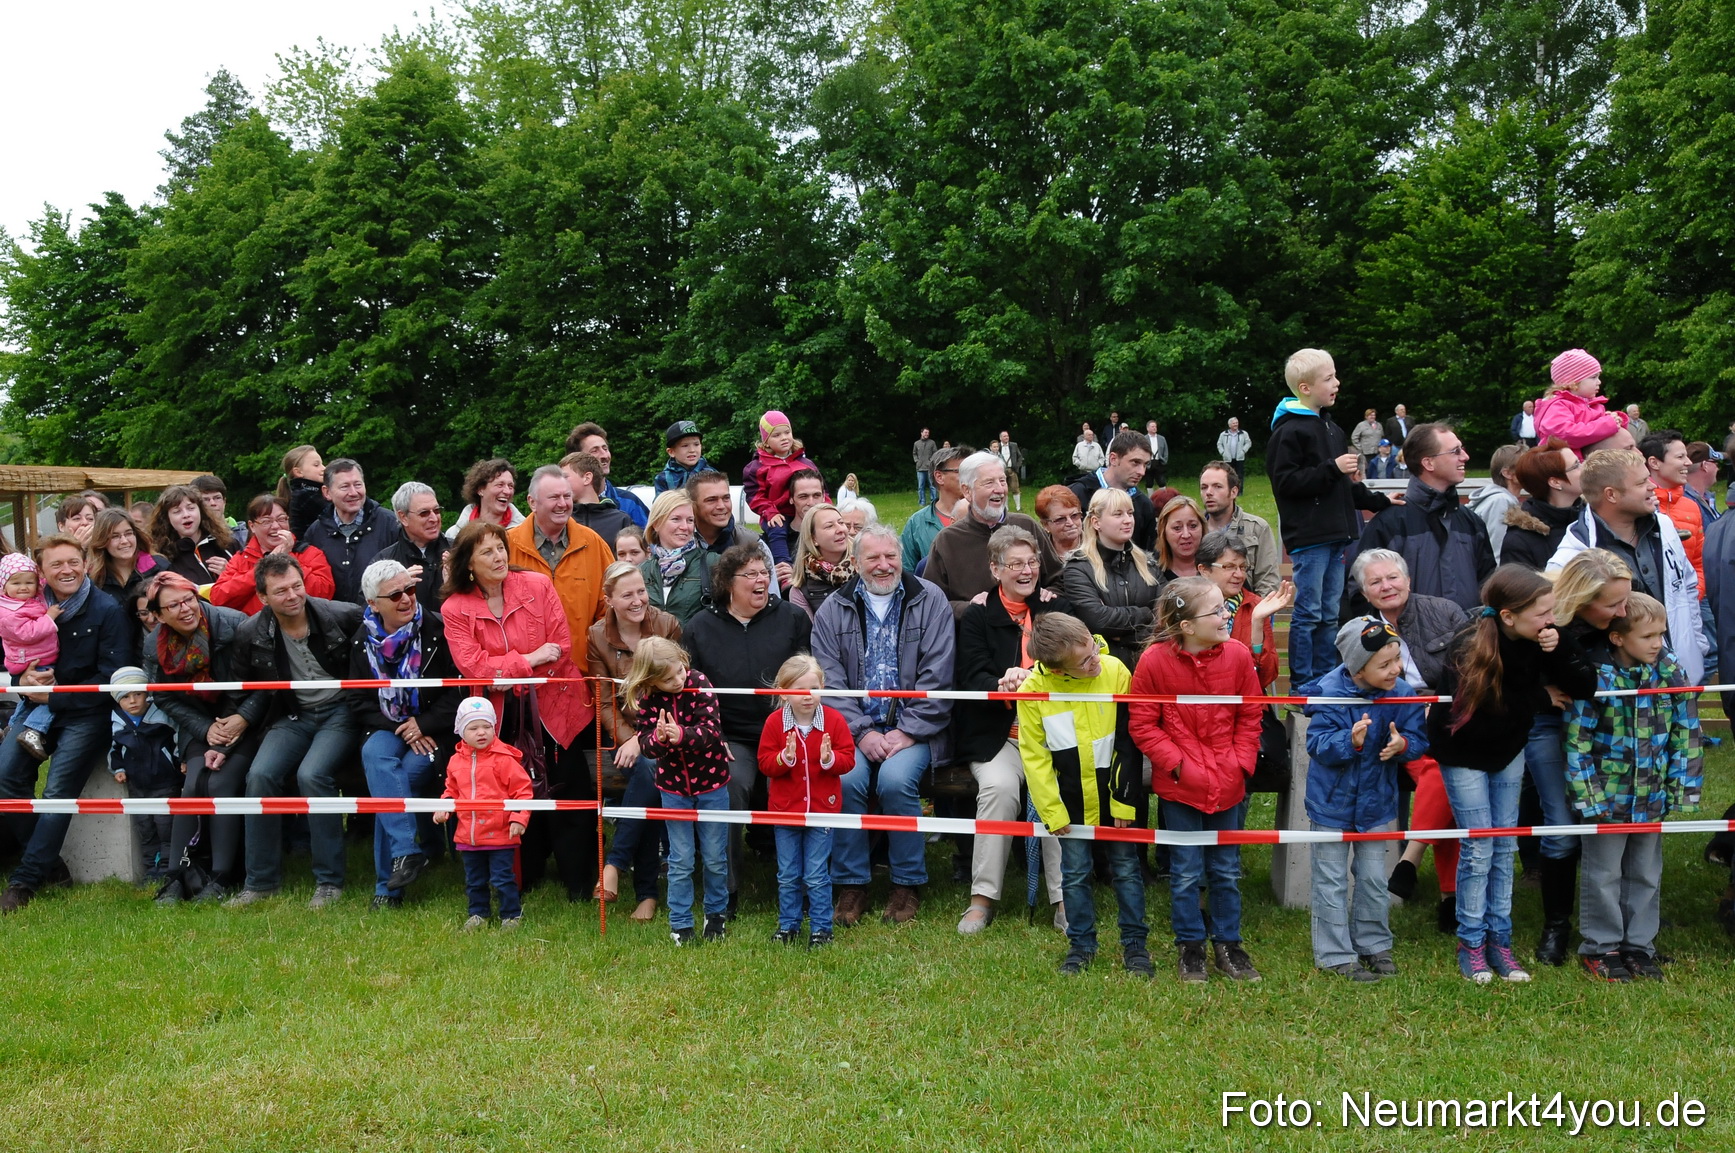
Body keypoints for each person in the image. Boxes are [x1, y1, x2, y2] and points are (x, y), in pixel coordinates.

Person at [1426, 564, 1597, 983]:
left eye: (1551, 611)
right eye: (1542, 614)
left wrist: (1561, 647)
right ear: (1508, 616)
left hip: (1508, 749)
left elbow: (1584, 686)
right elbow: (1486, 708)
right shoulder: (1469, 644)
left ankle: (1500, 942)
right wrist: (1539, 697)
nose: (1550, 620)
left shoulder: (1543, 638)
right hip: (1464, 752)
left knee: (1504, 846)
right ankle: (1471, 944)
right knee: (1479, 847)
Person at [441, 521, 595, 901]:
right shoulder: (454, 608)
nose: (498, 557)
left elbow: (559, 648)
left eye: (500, 547)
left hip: (555, 705)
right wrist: (528, 659)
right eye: (487, 552)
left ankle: (580, 880)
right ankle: (524, 874)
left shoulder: (537, 585)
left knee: (569, 789)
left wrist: (504, 672)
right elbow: (473, 666)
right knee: (511, 791)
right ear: (468, 563)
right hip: (498, 716)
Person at [811, 524, 955, 926]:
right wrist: (862, 732)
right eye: (872, 557)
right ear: (856, 563)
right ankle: (851, 883)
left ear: (901, 557)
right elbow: (829, 682)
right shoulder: (833, 609)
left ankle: (907, 883)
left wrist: (908, 730)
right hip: (853, 730)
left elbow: (939, 675)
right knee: (845, 780)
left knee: (894, 782)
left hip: (917, 730)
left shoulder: (930, 600)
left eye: (890, 556)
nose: (883, 565)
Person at [1129, 576, 1265, 982]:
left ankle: (1229, 944)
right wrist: (1177, 766)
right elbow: (1143, 724)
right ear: (1186, 625)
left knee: (1225, 870)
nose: (1226, 616)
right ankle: (1190, 947)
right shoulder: (1154, 662)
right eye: (1217, 610)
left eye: (1226, 607)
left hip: (1228, 781)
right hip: (1180, 787)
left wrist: (1240, 764)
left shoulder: (1238, 655)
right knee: (1186, 871)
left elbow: (1251, 714)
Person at [1563, 592, 1701, 982]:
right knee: (1603, 874)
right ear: (1618, 638)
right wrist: (1588, 797)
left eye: (1661, 634)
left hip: (1652, 796)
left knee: (1645, 873)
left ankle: (1639, 946)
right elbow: (1576, 741)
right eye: (1648, 636)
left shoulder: (1670, 670)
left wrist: (1682, 788)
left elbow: (1687, 731)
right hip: (1607, 797)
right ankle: (1602, 947)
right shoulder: (1596, 676)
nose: (1657, 643)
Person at [223, 553, 365, 910]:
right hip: (292, 714)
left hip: (341, 711)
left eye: (296, 586)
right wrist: (231, 729)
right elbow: (242, 690)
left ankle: (329, 882)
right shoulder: (250, 632)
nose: (292, 596)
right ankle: (260, 883)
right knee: (259, 776)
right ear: (263, 597)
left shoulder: (343, 615)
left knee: (312, 775)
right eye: (281, 591)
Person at [0, 536, 128, 914]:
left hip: (85, 714)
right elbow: (11, 657)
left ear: (86, 564)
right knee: (5, 777)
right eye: (56, 564)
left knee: (57, 793)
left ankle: (25, 881)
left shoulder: (107, 609)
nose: (66, 570)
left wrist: (54, 698)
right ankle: (51, 865)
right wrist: (21, 680)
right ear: (42, 571)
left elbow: (111, 679)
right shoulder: (28, 604)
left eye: (73, 562)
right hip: (35, 707)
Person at [953, 525, 1068, 935]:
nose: (1026, 571)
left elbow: (1073, 666)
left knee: (1056, 791)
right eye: (1015, 564)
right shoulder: (978, 614)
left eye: (1032, 562)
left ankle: (1064, 899)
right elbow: (971, 677)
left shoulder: (1055, 607)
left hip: (1051, 734)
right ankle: (982, 898)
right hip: (999, 735)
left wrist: (1034, 676)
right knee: (999, 789)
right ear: (995, 569)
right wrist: (1001, 684)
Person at [1020, 614, 1150, 977]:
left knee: (1127, 870)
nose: (1096, 661)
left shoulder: (1116, 670)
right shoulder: (1033, 690)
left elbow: (1128, 742)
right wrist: (1052, 811)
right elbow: (1034, 756)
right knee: (1075, 873)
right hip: (1070, 802)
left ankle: (1135, 946)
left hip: (1117, 796)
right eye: (1084, 661)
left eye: (1094, 649)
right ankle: (1080, 946)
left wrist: (1124, 800)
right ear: (1056, 669)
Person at [681, 542, 812, 899]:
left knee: (795, 785)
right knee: (730, 785)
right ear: (728, 583)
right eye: (750, 574)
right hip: (729, 737)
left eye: (764, 573)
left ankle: (802, 887)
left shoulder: (792, 619)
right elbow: (692, 692)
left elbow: (807, 679)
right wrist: (712, 737)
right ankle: (725, 891)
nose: (761, 581)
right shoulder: (700, 627)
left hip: (785, 731)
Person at [1522, 548, 1633, 965]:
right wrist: (1538, 692)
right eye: (1613, 604)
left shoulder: (1621, 620)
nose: (1623, 611)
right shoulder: (1541, 618)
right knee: (1561, 821)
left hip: (1608, 724)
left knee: (1610, 819)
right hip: (1550, 724)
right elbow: (1502, 666)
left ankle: (1619, 923)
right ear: (1583, 600)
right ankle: (1557, 926)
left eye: (1626, 600)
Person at [1303, 617, 1429, 981]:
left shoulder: (1401, 693)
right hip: (1331, 805)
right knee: (1331, 881)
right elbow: (1316, 744)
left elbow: (1418, 739)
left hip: (1376, 804)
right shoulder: (1328, 692)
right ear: (1358, 668)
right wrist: (1350, 741)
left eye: (1397, 659)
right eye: (1385, 664)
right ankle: (1335, 954)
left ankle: (1373, 944)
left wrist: (1403, 745)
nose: (1396, 669)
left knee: (1374, 879)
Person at [1267, 348, 1392, 681]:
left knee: (1329, 614)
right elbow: (1285, 483)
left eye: (1335, 376)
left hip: (1338, 535)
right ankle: (1303, 683)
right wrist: (1331, 468)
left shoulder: (1332, 429)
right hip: (1310, 538)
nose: (1337, 383)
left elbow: (1344, 487)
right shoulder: (1289, 431)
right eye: (1329, 378)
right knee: (1309, 613)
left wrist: (1382, 501)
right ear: (1305, 388)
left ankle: (1325, 680)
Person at [350, 559, 463, 909]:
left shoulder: (438, 630)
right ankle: (406, 852)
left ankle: (388, 889)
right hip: (389, 726)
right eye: (395, 594)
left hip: (436, 731)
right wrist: (403, 727)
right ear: (373, 604)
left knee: (397, 783)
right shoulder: (362, 640)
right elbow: (357, 701)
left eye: (410, 590)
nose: (406, 599)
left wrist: (423, 724)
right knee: (375, 755)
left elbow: (459, 692)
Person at [1547, 449, 1707, 684]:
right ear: (1611, 494)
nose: (1652, 486)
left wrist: (1697, 646)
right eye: (1641, 482)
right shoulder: (1571, 558)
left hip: (1681, 679)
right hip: (1617, 692)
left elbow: (1687, 587)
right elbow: (1557, 628)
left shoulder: (1664, 526)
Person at [144, 572, 256, 905]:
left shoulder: (235, 624)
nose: (185, 609)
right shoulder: (154, 645)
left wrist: (238, 722)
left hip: (247, 721)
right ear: (158, 615)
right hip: (200, 725)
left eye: (189, 599)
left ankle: (221, 876)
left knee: (219, 784)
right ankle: (176, 876)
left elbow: (266, 684)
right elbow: (163, 696)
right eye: (173, 605)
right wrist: (206, 729)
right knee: (192, 786)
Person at [589, 561, 681, 923]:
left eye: (641, 591)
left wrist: (644, 740)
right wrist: (629, 738)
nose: (638, 600)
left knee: (650, 768)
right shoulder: (597, 636)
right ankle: (646, 893)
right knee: (648, 774)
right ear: (608, 599)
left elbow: (678, 689)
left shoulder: (667, 625)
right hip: (625, 738)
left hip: (667, 731)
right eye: (627, 594)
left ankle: (616, 864)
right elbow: (603, 702)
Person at [624, 636, 732, 945]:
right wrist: (659, 739)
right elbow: (645, 744)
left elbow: (711, 731)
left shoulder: (700, 683)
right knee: (681, 859)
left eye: (679, 671)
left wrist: (681, 735)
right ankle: (681, 921)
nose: (678, 679)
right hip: (673, 789)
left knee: (714, 856)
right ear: (651, 680)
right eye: (668, 679)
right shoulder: (647, 698)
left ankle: (716, 914)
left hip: (712, 785)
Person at [758, 654, 855, 947]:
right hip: (785, 812)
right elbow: (765, 763)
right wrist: (784, 758)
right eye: (799, 689)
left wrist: (829, 759)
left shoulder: (834, 720)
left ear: (822, 687)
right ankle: (788, 925)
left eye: (813, 688)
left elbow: (848, 759)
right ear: (783, 692)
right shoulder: (775, 723)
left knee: (816, 874)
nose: (807, 696)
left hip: (822, 811)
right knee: (788, 874)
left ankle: (822, 928)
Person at [1347, 423, 1494, 615]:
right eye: (1455, 451)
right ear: (1428, 463)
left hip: (1469, 633)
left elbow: (1489, 585)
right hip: (1405, 635)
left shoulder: (1471, 522)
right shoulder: (1389, 524)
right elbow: (1360, 591)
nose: (1465, 457)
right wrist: (1393, 631)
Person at [435, 697, 533, 931]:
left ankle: (511, 915)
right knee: (474, 880)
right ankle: (478, 913)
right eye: (473, 728)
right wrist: (444, 806)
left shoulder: (504, 759)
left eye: (487, 726)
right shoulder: (455, 761)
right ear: (461, 731)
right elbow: (451, 790)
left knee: (502, 878)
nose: (481, 732)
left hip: (500, 834)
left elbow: (523, 791)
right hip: (468, 836)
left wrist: (519, 818)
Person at [929, 451, 1062, 619]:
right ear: (967, 491)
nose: (999, 489)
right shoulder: (947, 541)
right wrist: (968, 608)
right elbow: (931, 602)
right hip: (975, 631)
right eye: (989, 482)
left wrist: (1048, 595)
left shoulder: (1027, 526)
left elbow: (1060, 580)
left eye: (1002, 481)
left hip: (1032, 629)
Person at [506, 466, 613, 646]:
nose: (563, 504)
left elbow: (611, 606)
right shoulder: (507, 546)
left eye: (567, 496)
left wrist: (596, 649)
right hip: (527, 662)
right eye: (554, 497)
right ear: (532, 502)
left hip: (583, 661)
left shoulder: (593, 543)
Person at [1060, 488, 1164, 670]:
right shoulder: (1078, 568)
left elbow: (1167, 618)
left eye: (1130, 513)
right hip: (1104, 670)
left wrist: (1121, 636)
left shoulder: (1148, 563)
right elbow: (1097, 621)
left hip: (1150, 667)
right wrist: (1145, 613)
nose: (1128, 520)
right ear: (1096, 522)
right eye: (1118, 514)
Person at [102, 665, 181, 881]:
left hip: (166, 783)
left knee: (166, 828)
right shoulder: (118, 722)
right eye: (125, 697)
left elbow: (178, 739)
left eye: (138, 694)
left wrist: (180, 761)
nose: (133, 701)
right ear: (117, 700)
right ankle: (150, 871)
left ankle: (167, 870)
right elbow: (114, 748)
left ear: (147, 693)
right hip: (137, 786)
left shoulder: (162, 715)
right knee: (145, 829)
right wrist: (118, 769)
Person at [210, 495, 337, 615]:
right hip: (254, 627)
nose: (276, 526)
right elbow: (218, 599)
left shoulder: (309, 553)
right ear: (252, 526)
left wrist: (287, 559)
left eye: (282, 519)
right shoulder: (240, 559)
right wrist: (262, 568)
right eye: (266, 521)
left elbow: (324, 593)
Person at [1199, 530, 1290, 692]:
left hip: (1243, 699)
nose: (1239, 575)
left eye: (1242, 567)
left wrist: (1257, 624)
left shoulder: (1256, 606)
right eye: (1229, 567)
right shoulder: (1187, 604)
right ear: (1204, 570)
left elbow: (1266, 677)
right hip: (1197, 698)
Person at [302, 459, 401, 605]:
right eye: (345, 487)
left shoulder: (391, 524)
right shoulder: (315, 533)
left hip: (380, 615)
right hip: (333, 617)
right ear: (327, 492)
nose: (353, 492)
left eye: (358, 484)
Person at [85, 507, 168, 662]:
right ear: (102, 541)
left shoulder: (160, 567)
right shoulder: (93, 580)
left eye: (129, 533)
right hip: (113, 659)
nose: (124, 541)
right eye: (115, 536)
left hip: (158, 655)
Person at [742, 409, 823, 568]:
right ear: (766, 441)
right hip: (776, 513)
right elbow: (755, 495)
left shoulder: (805, 463)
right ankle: (783, 565)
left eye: (787, 432)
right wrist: (769, 511)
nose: (784, 438)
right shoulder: (758, 467)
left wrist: (827, 508)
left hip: (805, 509)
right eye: (776, 435)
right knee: (777, 529)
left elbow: (821, 489)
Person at [0, 554, 59, 761]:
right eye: (16, 583)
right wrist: (49, 618)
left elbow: (43, 582)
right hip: (33, 660)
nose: (23, 587)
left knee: (29, 699)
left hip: (35, 657)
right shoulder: (7, 612)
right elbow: (28, 633)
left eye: (29, 582)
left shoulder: (24, 601)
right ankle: (35, 729)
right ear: (4, 586)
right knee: (52, 696)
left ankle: (12, 724)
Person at [686, 470, 782, 591]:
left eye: (726, 498)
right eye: (711, 500)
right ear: (693, 505)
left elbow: (771, 596)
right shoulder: (680, 542)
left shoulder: (753, 544)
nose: (721, 506)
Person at [1499, 438, 1582, 572]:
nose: (1584, 469)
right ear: (1555, 482)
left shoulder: (1591, 519)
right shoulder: (1520, 541)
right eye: (1576, 465)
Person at [1198, 462, 1280, 595]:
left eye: (1217, 486)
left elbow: (1268, 583)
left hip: (1249, 604)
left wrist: (1255, 608)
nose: (1209, 493)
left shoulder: (1257, 528)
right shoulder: (1193, 529)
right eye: (1204, 487)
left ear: (1234, 492)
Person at [1068, 431, 1155, 552]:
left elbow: (1147, 554)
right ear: (1113, 459)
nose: (1142, 472)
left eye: (1145, 464)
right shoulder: (1077, 494)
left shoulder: (1144, 504)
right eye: (1135, 462)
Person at [640, 490, 716, 625]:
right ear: (656, 523)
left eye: (690, 520)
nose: (685, 527)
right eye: (676, 519)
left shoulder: (713, 563)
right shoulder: (642, 571)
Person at [1534, 349, 1626, 456]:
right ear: (1573, 382)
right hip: (1563, 463)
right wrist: (1607, 424)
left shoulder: (1594, 406)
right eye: (1593, 377)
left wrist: (1617, 420)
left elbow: (1601, 433)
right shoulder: (1558, 406)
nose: (1599, 382)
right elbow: (1565, 436)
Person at [376, 481, 450, 610]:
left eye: (437, 510)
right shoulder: (384, 562)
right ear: (403, 517)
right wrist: (398, 590)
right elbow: (372, 609)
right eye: (424, 513)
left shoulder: (460, 550)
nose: (434, 518)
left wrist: (458, 582)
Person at [565, 422, 649, 528]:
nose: (605, 455)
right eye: (595, 451)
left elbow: (650, 537)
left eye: (605, 449)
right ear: (576, 459)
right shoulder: (563, 507)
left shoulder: (629, 503)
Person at [149, 484, 235, 585]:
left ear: (201, 511)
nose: (186, 515)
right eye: (177, 511)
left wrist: (231, 574)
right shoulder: (161, 557)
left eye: (191, 508)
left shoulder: (227, 544)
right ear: (167, 518)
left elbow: (248, 583)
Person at [901, 445, 966, 569]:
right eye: (962, 471)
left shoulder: (985, 517)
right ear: (939, 477)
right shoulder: (917, 523)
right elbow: (907, 571)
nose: (970, 477)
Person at [788, 505, 854, 619]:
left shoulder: (865, 568)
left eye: (841, 522)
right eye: (829, 526)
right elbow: (810, 630)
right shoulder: (801, 591)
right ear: (813, 538)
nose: (840, 529)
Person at [1467, 444, 1525, 563]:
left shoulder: (1502, 499)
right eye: (1525, 466)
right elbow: (1496, 550)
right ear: (1507, 473)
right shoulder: (1500, 501)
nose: (1532, 470)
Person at [446, 458, 524, 540]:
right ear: (480, 490)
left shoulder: (525, 532)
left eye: (510, 486)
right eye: (500, 485)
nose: (507, 491)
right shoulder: (454, 535)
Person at [277, 445, 326, 540]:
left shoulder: (307, 492)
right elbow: (338, 513)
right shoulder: (304, 495)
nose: (324, 468)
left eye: (322, 464)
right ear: (298, 472)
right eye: (316, 465)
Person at [1155, 495, 1206, 580]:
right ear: (1163, 532)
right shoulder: (1151, 574)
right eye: (1177, 528)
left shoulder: (1218, 568)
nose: (1186, 535)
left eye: (1193, 526)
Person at [654, 420, 711, 495]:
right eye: (685, 446)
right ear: (671, 452)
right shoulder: (663, 478)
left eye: (696, 444)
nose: (692, 450)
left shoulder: (711, 475)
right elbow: (661, 502)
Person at [1034, 485, 1084, 561]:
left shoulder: (1097, 547)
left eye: (1074, 515)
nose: (1070, 523)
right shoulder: (1037, 554)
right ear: (1045, 524)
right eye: (1060, 519)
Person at [994, 432, 1025, 511]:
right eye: (1004, 436)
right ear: (1000, 438)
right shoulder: (997, 446)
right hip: (1001, 471)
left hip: (1012, 470)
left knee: (1015, 488)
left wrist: (1017, 466)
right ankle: (1005, 507)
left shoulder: (1014, 445)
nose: (1006, 437)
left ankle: (1018, 507)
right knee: (1003, 489)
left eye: (1007, 436)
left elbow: (1020, 457)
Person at [1216, 417, 1252, 486]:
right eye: (1234, 423)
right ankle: (1229, 488)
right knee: (1228, 475)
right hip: (1227, 459)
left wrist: (1243, 451)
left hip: (1239, 458)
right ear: (1229, 425)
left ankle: (1239, 490)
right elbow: (1219, 444)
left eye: (1236, 423)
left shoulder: (1243, 433)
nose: (1236, 424)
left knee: (1239, 475)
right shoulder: (1223, 434)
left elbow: (1248, 443)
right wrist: (1223, 452)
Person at [1352, 409, 1383, 473]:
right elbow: (1354, 437)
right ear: (1366, 416)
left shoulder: (1379, 425)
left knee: (1377, 469)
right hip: (1366, 452)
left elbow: (1382, 436)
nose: (1372, 417)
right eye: (1370, 415)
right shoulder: (1361, 425)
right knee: (1367, 469)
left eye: (1374, 415)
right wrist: (1360, 447)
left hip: (1377, 452)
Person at [913, 428, 938, 507]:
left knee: (932, 485)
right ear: (921, 433)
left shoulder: (932, 443)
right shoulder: (916, 443)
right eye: (925, 432)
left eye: (928, 433)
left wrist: (931, 461)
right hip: (920, 468)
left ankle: (934, 501)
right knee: (921, 486)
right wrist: (917, 461)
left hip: (930, 468)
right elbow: (914, 453)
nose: (927, 434)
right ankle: (922, 502)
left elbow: (935, 453)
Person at [1145, 419, 1171, 488]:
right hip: (1149, 462)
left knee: (1162, 481)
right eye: (1152, 426)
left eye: (1155, 426)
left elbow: (1165, 450)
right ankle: (1150, 495)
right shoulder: (1144, 439)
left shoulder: (1162, 438)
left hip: (1159, 462)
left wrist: (1164, 460)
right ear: (1148, 428)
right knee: (1149, 482)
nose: (1154, 428)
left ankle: (1163, 494)